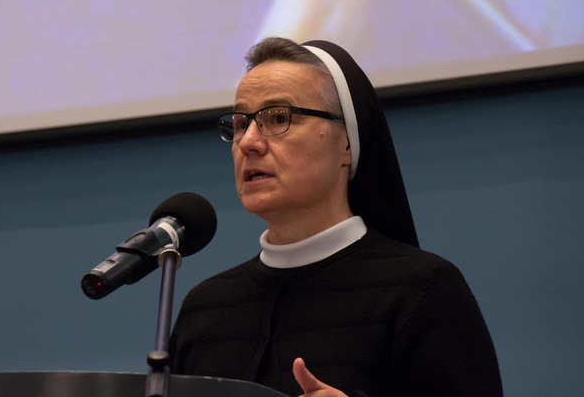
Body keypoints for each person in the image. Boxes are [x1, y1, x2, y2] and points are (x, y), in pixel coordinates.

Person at [168, 37, 503, 397]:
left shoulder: (422, 290)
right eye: (239, 124)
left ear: (346, 143)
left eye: (278, 118)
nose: (248, 142)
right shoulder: (204, 309)